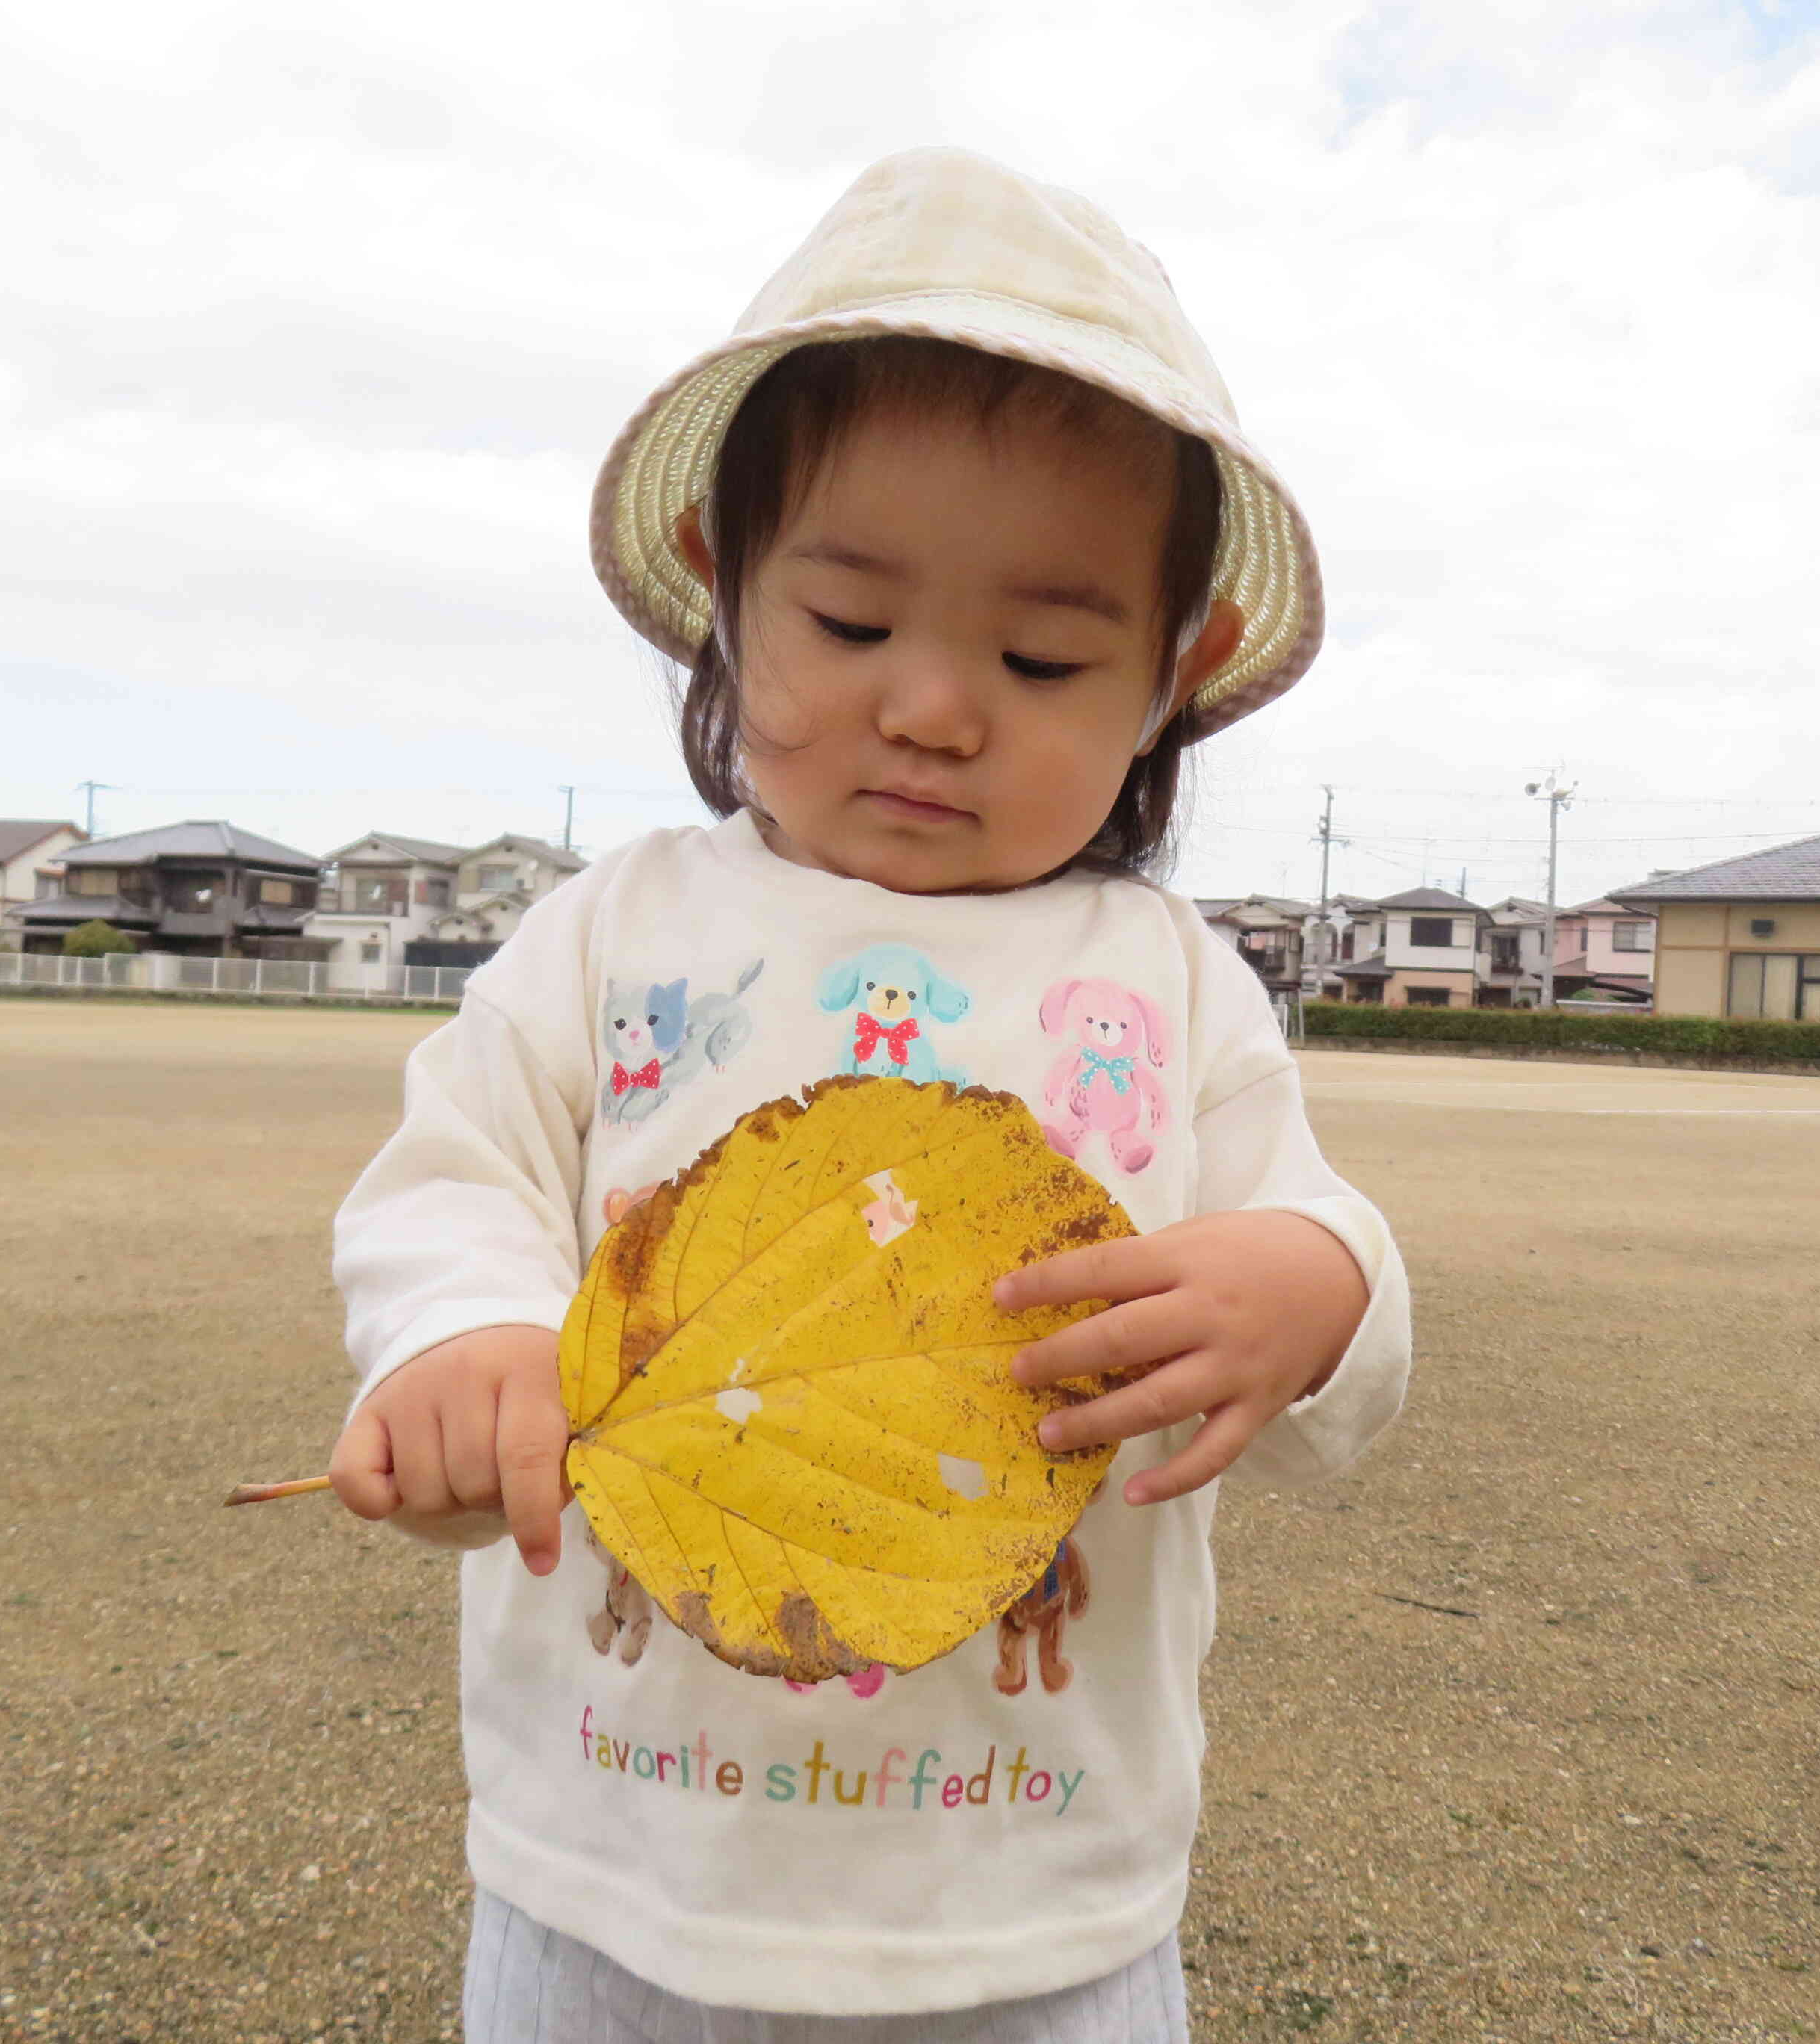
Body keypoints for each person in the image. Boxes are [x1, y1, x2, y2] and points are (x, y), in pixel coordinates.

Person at [328, 147, 1413, 2042]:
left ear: (1183, 670)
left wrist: (1307, 1297)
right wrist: (468, 1336)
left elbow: (1321, 1243)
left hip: (1032, 1910)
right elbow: (454, 1179)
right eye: (848, 627)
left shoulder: (1163, 982)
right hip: (617, 1878)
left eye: (1043, 653)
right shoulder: (617, 933)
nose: (932, 706)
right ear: (717, 591)